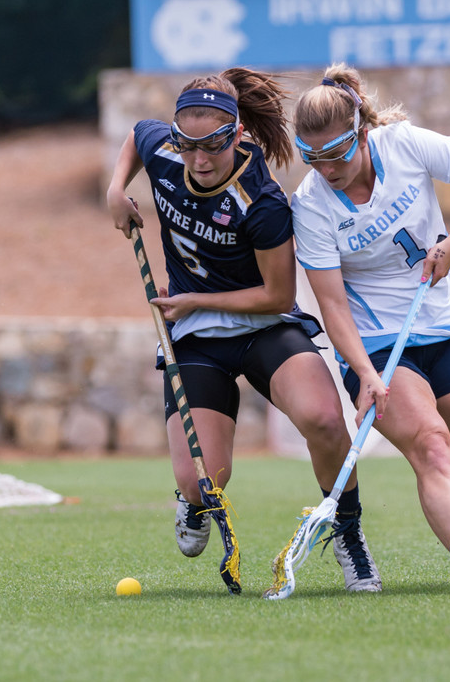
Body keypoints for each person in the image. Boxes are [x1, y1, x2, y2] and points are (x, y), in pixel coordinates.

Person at [107, 67, 382, 592]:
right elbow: (137, 136)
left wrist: (193, 300)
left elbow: (277, 295)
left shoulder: (263, 202)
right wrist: (116, 189)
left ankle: (348, 531)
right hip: (194, 336)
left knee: (325, 420)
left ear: (236, 134)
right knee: (201, 481)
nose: (199, 160)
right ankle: (193, 501)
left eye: (212, 145)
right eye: (188, 146)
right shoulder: (165, 151)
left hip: (263, 324)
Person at [290, 64, 450, 596]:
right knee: (431, 446)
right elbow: (333, 307)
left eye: (336, 154)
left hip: (447, 323)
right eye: (313, 157)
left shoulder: (405, 144)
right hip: (378, 346)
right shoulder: (310, 205)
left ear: (361, 132)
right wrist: (364, 374)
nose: (326, 169)